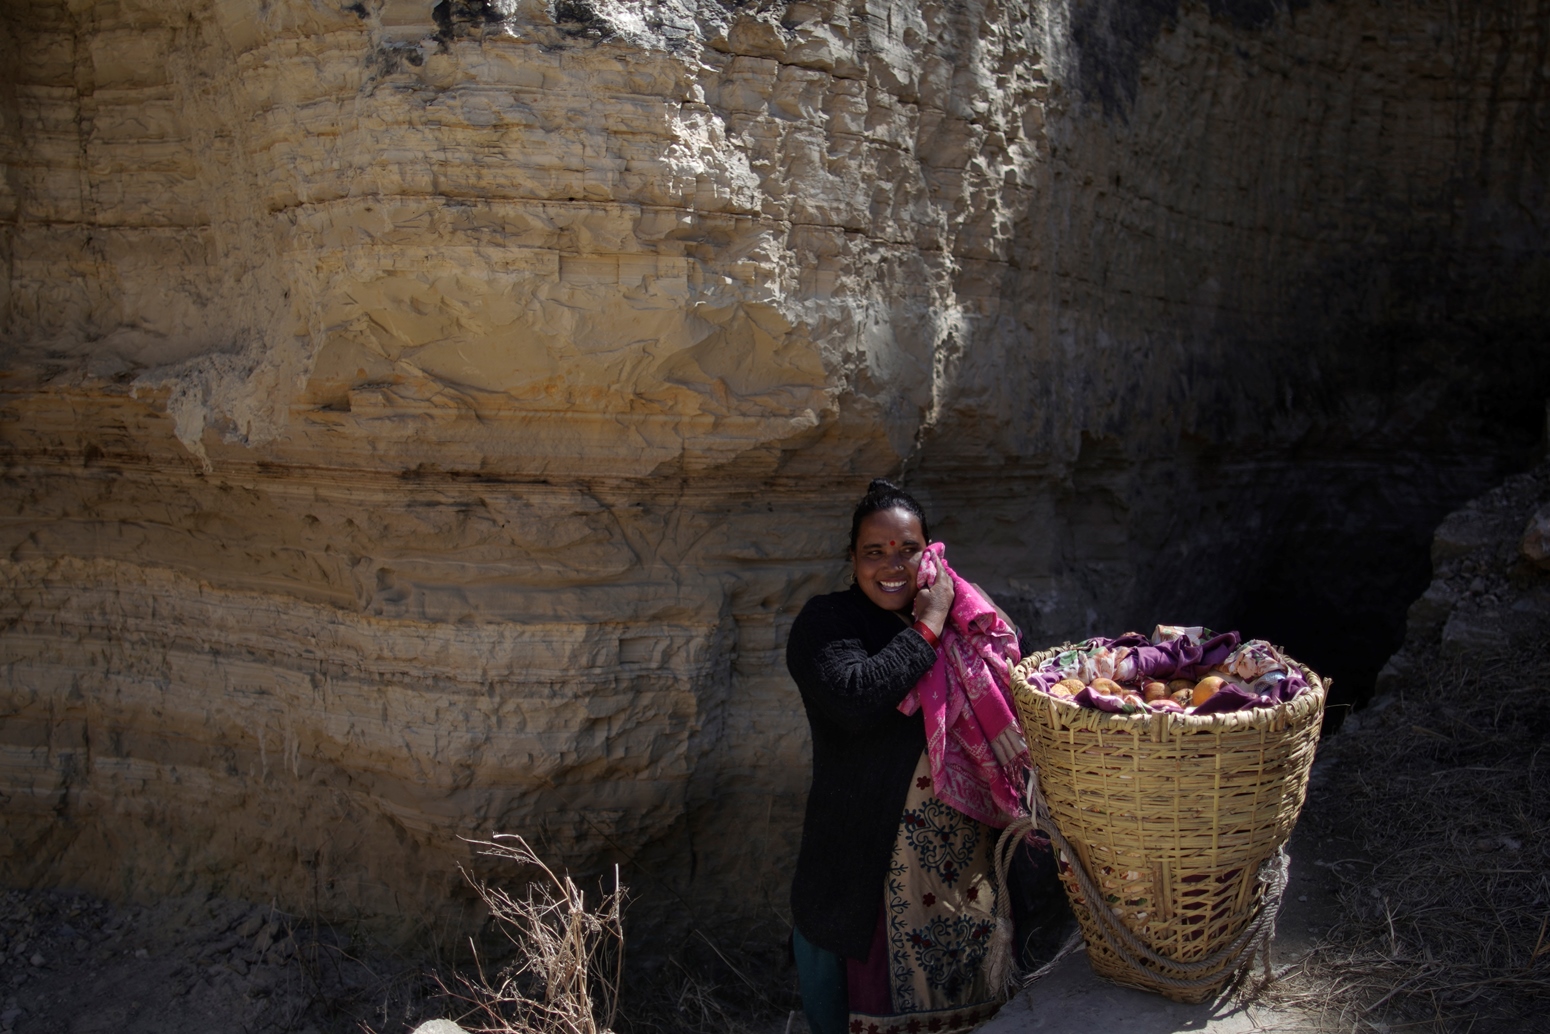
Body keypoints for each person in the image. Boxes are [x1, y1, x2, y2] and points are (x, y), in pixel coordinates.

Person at [785, 479, 1064, 1034]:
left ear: (929, 554)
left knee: (979, 1010)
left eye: (907, 549)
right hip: (861, 874)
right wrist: (929, 625)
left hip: (970, 880)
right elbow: (858, 698)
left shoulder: (968, 633)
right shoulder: (827, 623)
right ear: (852, 559)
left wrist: (943, 623)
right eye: (874, 551)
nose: (892, 564)